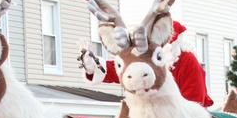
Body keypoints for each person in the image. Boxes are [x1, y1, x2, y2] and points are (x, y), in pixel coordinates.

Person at [78, 20, 214, 107]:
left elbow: (195, 102)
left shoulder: (185, 60)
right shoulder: (144, 59)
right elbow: (120, 70)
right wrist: (94, 67)